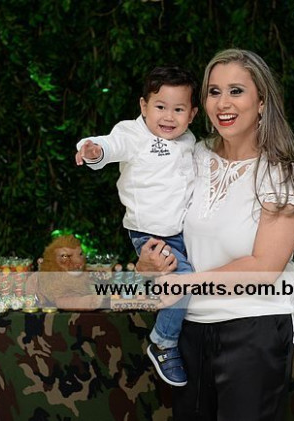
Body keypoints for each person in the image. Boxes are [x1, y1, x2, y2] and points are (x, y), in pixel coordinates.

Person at [136, 49, 294, 421]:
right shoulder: (189, 156)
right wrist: (148, 263)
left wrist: (183, 283)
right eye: (214, 91)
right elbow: (163, 233)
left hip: (254, 328)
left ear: (262, 102)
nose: (223, 103)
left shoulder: (283, 171)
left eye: (236, 91)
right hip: (188, 330)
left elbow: (264, 268)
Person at [75, 66, 199, 387]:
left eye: (179, 109)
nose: (168, 117)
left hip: (181, 232)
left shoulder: (189, 141)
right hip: (151, 233)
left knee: (186, 281)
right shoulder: (133, 133)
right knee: (183, 279)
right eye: (160, 107)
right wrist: (95, 150)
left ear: (192, 114)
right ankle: (163, 341)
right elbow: (112, 144)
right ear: (144, 106)